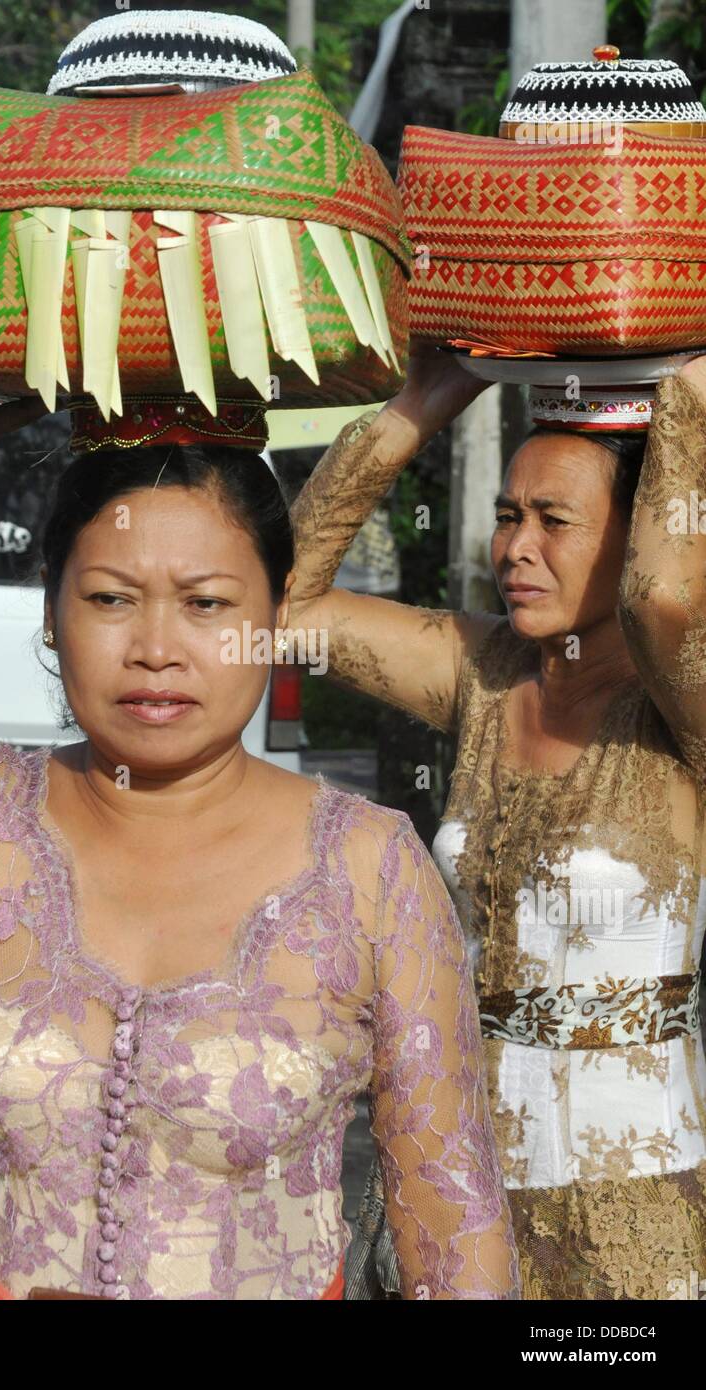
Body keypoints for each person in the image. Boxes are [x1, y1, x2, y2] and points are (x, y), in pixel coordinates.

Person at [0, 243, 519, 1301]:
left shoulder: (368, 868)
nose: (157, 647)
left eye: (206, 603)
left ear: (270, 618)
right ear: (51, 613)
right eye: (110, 598)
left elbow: (451, 1227)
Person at [287, 342, 706, 1300]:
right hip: (453, 1189)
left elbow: (666, 599)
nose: (514, 548)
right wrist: (423, 400)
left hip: (633, 1218)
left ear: (641, 530)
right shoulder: (484, 676)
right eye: (506, 516)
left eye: (554, 521)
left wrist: (678, 385)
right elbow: (282, 603)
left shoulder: (679, 702)